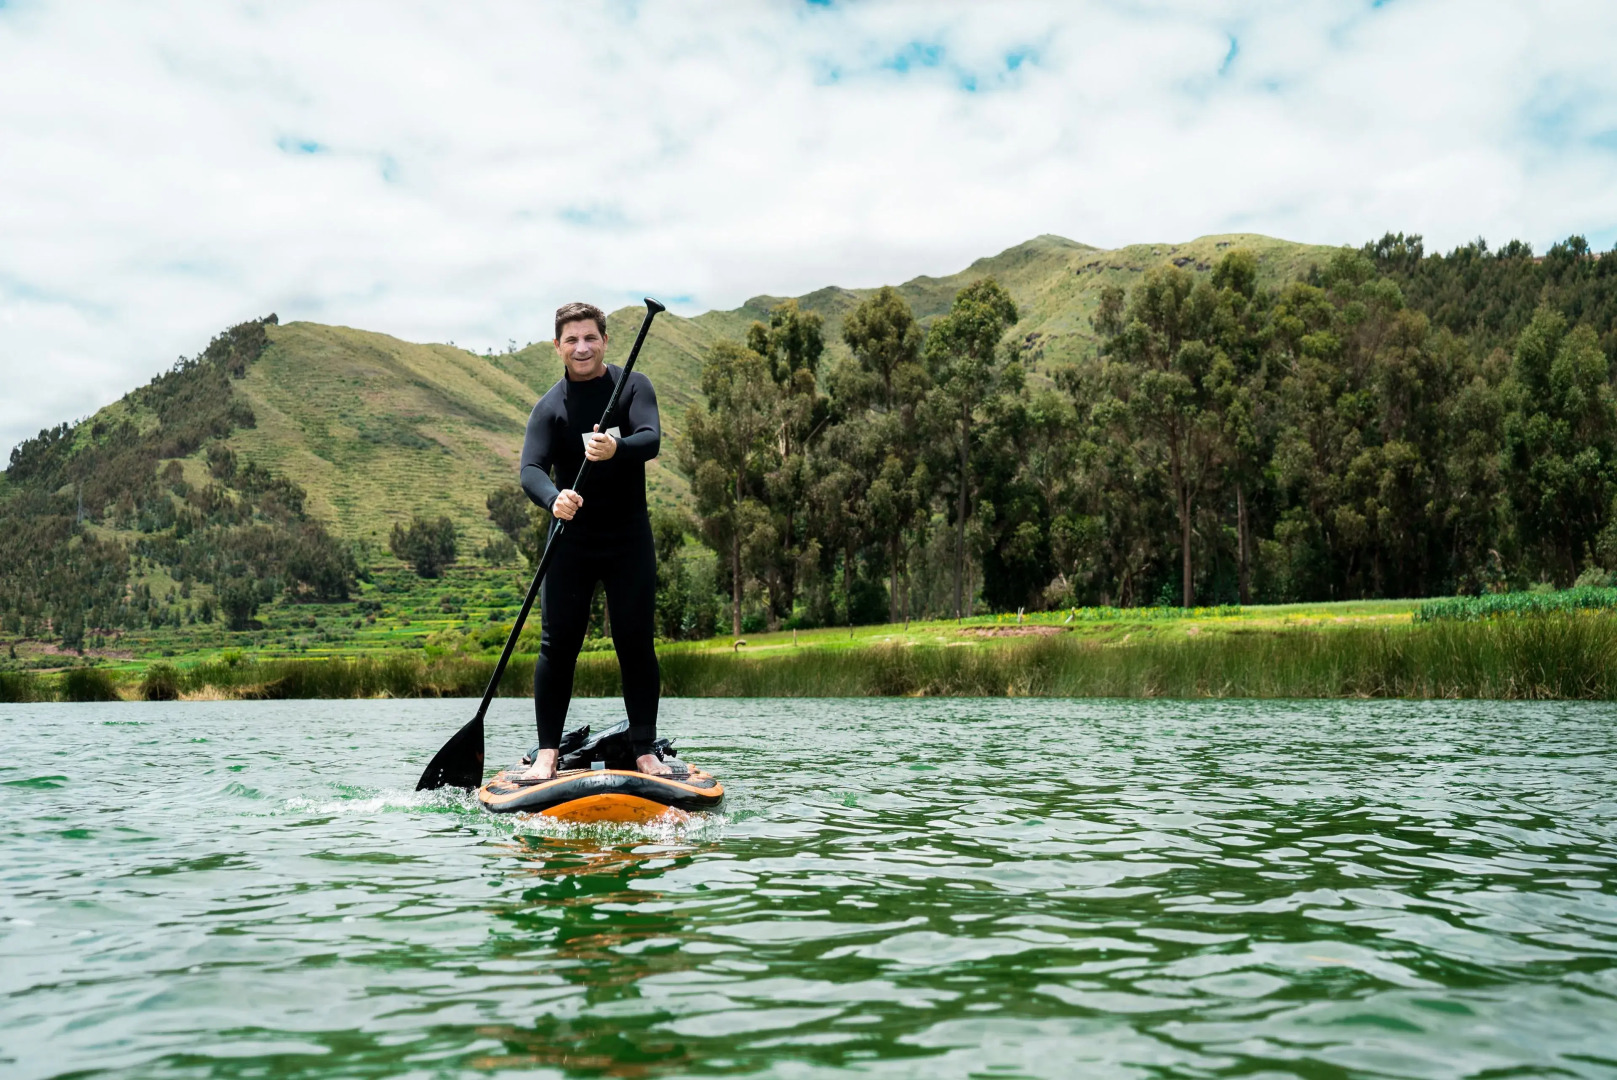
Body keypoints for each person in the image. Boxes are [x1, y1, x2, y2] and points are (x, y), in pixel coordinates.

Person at [516, 301, 670, 781]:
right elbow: (529, 470)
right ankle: (547, 754)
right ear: (557, 346)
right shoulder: (550, 407)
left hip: (628, 540)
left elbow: (652, 437)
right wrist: (552, 498)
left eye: (590, 337)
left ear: (605, 340)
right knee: (556, 646)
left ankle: (644, 749)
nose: (582, 347)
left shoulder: (632, 387)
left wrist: (617, 447)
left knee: (635, 643)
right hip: (571, 543)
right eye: (571, 339)